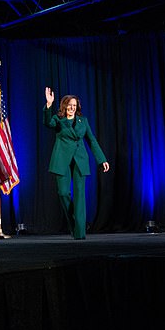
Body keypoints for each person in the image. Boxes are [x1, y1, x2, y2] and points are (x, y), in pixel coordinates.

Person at [43, 88, 109, 239]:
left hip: (80, 160)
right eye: (69, 105)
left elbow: (91, 140)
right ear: (64, 106)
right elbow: (47, 122)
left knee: (80, 197)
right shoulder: (58, 119)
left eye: (74, 105)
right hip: (62, 161)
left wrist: (102, 159)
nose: (72, 108)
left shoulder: (83, 121)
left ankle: (80, 233)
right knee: (63, 193)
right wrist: (48, 104)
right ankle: (74, 223)